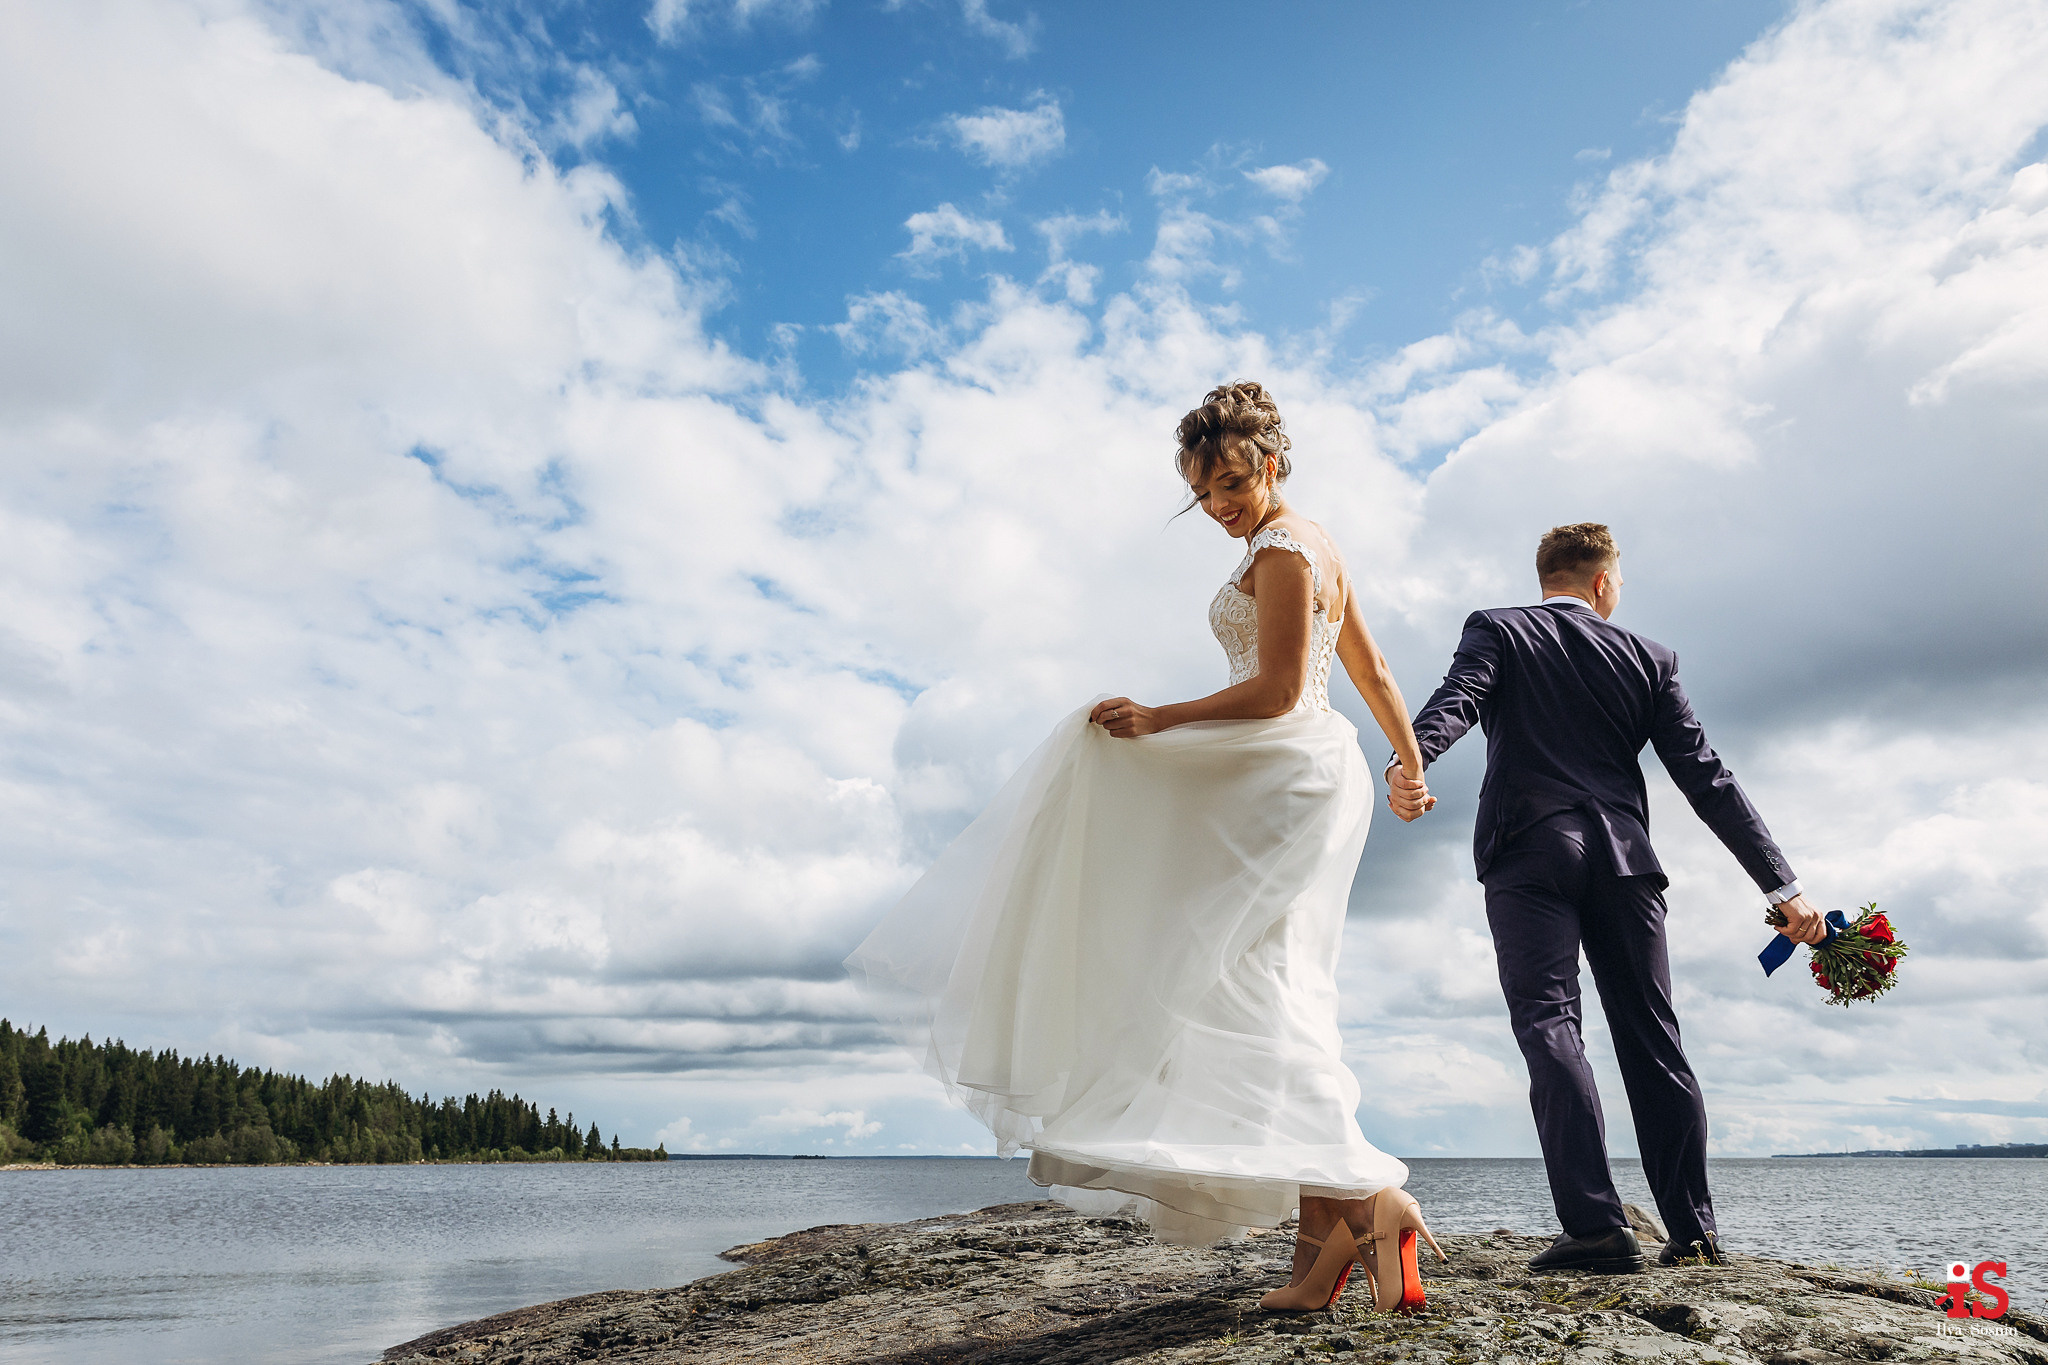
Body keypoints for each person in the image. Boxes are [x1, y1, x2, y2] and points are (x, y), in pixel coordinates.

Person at [844, 381, 1443, 1314]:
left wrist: (1160, 718)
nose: (1221, 506)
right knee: (1274, 981)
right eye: (1204, 492)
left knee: (1238, 975)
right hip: (1314, 770)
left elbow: (1283, 688)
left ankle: (1367, 1200)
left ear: (1271, 464)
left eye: (1233, 483)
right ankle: (1323, 1246)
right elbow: (1372, 670)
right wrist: (1405, 761)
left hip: (1285, 769)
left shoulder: (1286, 547)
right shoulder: (1316, 545)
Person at [1390, 522, 1829, 1272]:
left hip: (1529, 849)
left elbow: (1454, 700)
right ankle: (1695, 1231)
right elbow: (1707, 776)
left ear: (1548, 577)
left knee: (1551, 1023)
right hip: (1627, 861)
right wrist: (1782, 886)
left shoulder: (1498, 628)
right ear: (1603, 582)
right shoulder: (1649, 657)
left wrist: (1413, 762)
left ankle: (1596, 1227)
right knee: (1653, 1035)